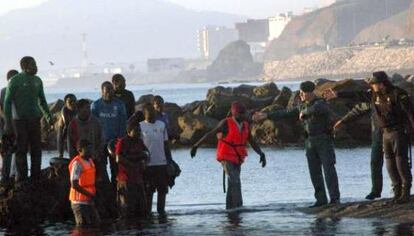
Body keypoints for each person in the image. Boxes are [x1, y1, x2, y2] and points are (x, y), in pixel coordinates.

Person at [254, 81, 340, 208]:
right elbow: (286, 113)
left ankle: (334, 199)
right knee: (314, 172)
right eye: (300, 93)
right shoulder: (301, 105)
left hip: (324, 140)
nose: (301, 95)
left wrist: (306, 112)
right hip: (309, 142)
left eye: (303, 93)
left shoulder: (320, 103)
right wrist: (267, 115)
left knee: (329, 170)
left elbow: (318, 108)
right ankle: (321, 199)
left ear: (310, 93)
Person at [191, 101, 266, 210]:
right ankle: (237, 208)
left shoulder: (245, 125)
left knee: (233, 184)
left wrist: (261, 154)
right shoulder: (225, 123)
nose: (244, 115)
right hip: (226, 157)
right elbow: (210, 134)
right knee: (235, 180)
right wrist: (195, 146)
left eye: (244, 113)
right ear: (235, 113)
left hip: (238, 158)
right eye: (241, 113)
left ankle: (231, 209)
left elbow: (252, 141)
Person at [325, 86, 384, 200]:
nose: (372, 86)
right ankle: (376, 191)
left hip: (393, 133)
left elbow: (359, 95)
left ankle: (401, 191)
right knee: (375, 162)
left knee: (397, 162)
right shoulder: (372, 97)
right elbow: (359, 107)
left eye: (373, 83)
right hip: (377, 134)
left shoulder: (392, 95)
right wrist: (343, 121)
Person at [3, 56, 53, 181]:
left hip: (35, 119)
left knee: (36, 148)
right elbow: (7, 102)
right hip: (19, 121)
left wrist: (49, 117)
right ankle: (22, 177)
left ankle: (35, 176)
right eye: (33, 64)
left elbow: (42, 101)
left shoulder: (38, 80)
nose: (36, 67)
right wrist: (8, 123)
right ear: (24, 67)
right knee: (21, 149)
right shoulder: (15, 81)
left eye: (35, 64)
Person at [368, 71, 414, 204]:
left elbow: (410, 112)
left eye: (374, 84)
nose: (372, 86)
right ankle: (397, 192)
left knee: (401, 163)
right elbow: (358, 94)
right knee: (390, 164)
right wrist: (338, 94)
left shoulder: (398, 93)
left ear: (381, 84)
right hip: (385, 133)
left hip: (398, 131)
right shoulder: (375, 95)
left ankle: (405, 193)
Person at [91, 82, 127, 184]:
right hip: (101, 143)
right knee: (101, 170)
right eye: (107, 91)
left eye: (111, 90)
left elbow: (123, 124)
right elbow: (93, 125)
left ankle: (116, 192)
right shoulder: (96, 105)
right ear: (102, 91)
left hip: (115, 143)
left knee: (116, 169)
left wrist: (120, 141)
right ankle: (106, 192)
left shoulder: (120, 105)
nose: (110, 93)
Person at [140, 103, 172, 215]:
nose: (152, 115)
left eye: (153, 113)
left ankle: (161, 212)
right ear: (144, 114)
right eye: (149, 113)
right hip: (147, 165)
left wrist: (170, 161)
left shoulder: (161, 125)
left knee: (162, 191)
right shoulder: (140, 126)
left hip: (161, 163)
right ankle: (148, 213)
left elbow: (166, 144)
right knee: (149, 191)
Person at [115, 123, 149, 218]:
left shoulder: (139, 141)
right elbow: (118, 158)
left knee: (141, 206)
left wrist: (144, 164)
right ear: (129, 132)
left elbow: (147, 154)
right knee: (127, 207)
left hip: (138, 178)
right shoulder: (122, 142)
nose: (138, 133)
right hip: (125, 178)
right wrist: (133, 165)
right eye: (136, 131)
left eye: (139, 131)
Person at [69, 139, 100, 227]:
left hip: (89, 200)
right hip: (79, 202)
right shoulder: (77, 164)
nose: (90, 150)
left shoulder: (90, 161)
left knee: (95, 224)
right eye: (87, 148)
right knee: (83, 227)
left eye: (91, 147)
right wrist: (90, 195)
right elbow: (74, 184)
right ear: (80, 150)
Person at [0, 70, 18, 184]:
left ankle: (13, 174)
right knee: (6, 151)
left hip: (16, 124)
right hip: (5, 126)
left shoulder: (19, 91)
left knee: (16, 150)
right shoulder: (4, 91)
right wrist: (7, 120)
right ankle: (5, 176)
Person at [57, 94, 77, 158]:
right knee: (62, 136)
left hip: (74, 127)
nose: (73, 103)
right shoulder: (64, 110)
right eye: (70, 102)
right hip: (64, 126)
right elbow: (66, 124)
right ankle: (61, 154)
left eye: (74, 101)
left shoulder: (78, 109)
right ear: (65, 103)